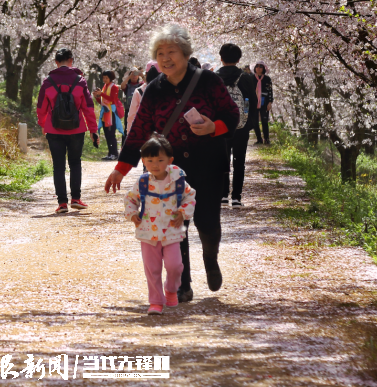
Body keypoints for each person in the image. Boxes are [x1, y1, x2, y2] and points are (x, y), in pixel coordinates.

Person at [104, 24, 238, 304]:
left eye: (171, 51)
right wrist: (121, 168)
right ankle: (182, 284)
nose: (165, 58)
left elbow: (233, 115)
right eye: (160, 53)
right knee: (178, 226)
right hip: (173, 171)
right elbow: (139, 131)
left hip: (210, 163)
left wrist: (215, 126)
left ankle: (211, 259)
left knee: (208, 223)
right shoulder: (154, 90)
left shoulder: (210, 81)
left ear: (185, 53)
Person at [124, 134, 196, 315]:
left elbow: (190, 196)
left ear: (170, 160)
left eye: (160, 160)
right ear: (143, 161)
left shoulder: (178, 180)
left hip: (172, 231)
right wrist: (132, 214)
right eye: (150, 160)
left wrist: (182, 212)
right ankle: (155, 301)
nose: (155, 164)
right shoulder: (142, 182)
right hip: (148, 232)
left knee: (175, 266)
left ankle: (171, 289)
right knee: (152, 268)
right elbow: (130, 200)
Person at [37, 48, 99, 213]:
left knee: (58, 166)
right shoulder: (80, 81)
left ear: (56, 62)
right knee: (75, 163)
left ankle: (62, 203)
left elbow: (41, 107)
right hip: (76, 129)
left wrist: (43, 124)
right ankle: (76, 199)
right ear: (71, 61)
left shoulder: (48, 81)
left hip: (54, 130)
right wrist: (93, 130)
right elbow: (88, 107)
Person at [216, 43, 256, 208]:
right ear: (239, 59)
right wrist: (249, 124)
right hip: (241, 125)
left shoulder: (214, 77)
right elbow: (253, 102)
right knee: (239, 161)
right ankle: (236, 197)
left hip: (219, 126)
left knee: (221, 160)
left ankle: (223, 195)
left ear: (221, 58)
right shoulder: (246, 77)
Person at [95, 70, 124, 161]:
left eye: (106, 78)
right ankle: (110, 153)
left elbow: (112, 99)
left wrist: (101, 94)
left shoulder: (114, 87)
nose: (104, 79)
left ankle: (115, 153)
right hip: (105, 112)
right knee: (107, 134)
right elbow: (102, 101)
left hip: (111, 113)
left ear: (111, 78)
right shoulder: (104, 87)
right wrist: (97, 96)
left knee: (111, 134)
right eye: (103, 78)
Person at [126, 62, 159, 134]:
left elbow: (132, 116)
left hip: (143, 131)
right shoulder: (169, 89)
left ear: (146, 74)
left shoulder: (139, 91)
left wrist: (129, 133)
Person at [249, 62, 274, 145]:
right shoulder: (251, 78)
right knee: (255, 121)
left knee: (264, 121)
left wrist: (270, 102)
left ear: (264, 69)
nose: (258, 68)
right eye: (257, 67)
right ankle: (259, 139)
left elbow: (270, 91)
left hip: (265, 102)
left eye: (261, 67)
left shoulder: (267, 79)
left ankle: (266, 139)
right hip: (253, 102)